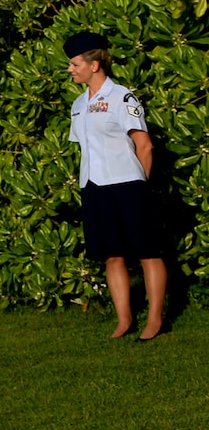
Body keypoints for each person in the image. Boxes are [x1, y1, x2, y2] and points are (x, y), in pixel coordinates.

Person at [65, 30, 167, 341]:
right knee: (111, 255)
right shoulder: (78, 104)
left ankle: (155, 319)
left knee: (147, 252)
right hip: (94, 186)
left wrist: (140, 188)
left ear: (93, 65)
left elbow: (144, 146)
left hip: (127, 184)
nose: (70, 70)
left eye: (74, 64)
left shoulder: (122, 97)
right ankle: (124, 320)